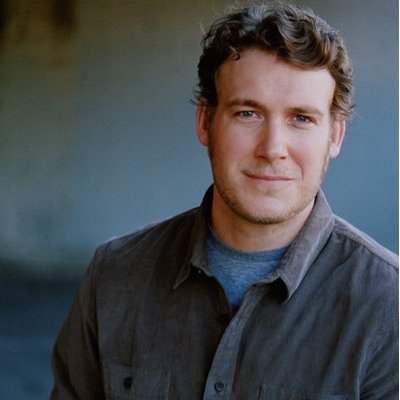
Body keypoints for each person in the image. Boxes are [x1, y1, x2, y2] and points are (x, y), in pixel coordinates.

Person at [51, 2, 398, 399]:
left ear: (335, 136)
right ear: (206, 122)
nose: (273, 148)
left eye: (301, 118)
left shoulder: (389, 305)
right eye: (248, 113)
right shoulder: (115, 276)